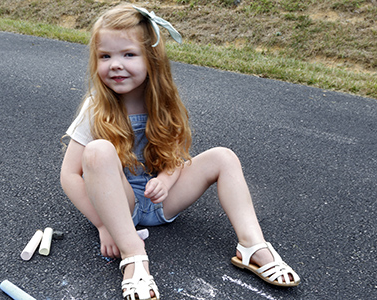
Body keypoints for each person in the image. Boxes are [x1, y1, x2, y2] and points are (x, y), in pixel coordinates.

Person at [60, 4, 300, 300]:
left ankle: (251, 244)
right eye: (105, 56)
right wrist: (102, 223)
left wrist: (166, 180)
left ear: (152, 59)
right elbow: (70, 175)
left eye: (128, 54)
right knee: (97, 151)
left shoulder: (163, 103)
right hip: (120, 206)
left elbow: (177, 157)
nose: (115, 65)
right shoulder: (96, 108)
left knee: (223, 157)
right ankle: (134, 256)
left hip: (161, 201)